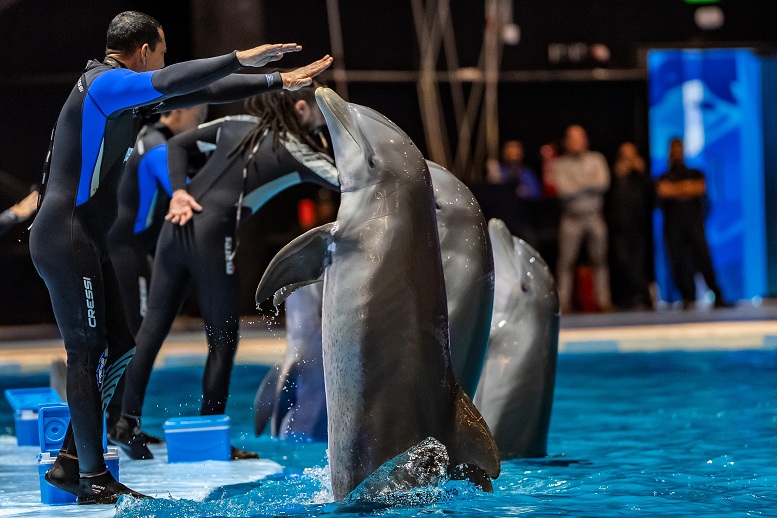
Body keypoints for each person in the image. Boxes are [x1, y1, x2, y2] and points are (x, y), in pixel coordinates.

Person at [28, 10, 332, 504]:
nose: (164, 59)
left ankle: (70, 462)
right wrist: (240, 56)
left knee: (121, 345)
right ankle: (92, 479)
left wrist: (275, 80)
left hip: (85, 237)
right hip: (65, 237)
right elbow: (173, 79)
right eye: (162, 49)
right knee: (87, 354)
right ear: (144, 51)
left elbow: (204, 92)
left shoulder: (124, 100)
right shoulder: (102, 85)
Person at [113, 85, 338, 460]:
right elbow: (346, 180)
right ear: (300, 109)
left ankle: (125, 422)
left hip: (175, 226)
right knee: (222, 339)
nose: (322, 123)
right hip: (214, 237)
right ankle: (208, 436)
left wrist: (180, 191)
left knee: (151, 330)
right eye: (319, 115)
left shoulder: (239, 123)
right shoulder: (298, 151)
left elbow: (177, 146)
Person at [103, 104, 207, 441]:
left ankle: (118, 420)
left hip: (129, 251)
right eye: (199, 113)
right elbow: (187, 190)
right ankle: (119, 423)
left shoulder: (149, 139)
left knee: (128, 338)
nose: (201, 121)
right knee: (134, 339)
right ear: (178, 112)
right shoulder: (158, 146)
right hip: (126, 253)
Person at [656, 138, 727, 309]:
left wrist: (676, 190)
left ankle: (717, 294)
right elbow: (663, 191)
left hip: (694, 224)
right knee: (679, 261)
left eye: (679, 148)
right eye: (674, 149)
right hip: (673, 226)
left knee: (703, 257)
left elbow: (699, 188)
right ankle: (687, 296)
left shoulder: (695, 173)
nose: (677, 152)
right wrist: (686, 188)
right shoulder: (664, 176)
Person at [553, 125, 612, 313]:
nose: (576, 142)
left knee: (600, 260)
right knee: (566, 261)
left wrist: (577, 185)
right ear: (566, 141)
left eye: (579, 138)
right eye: (572, 138)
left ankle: (603, 301)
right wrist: (588, 183)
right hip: (571, 218)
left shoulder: (597, 159)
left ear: (586, 140)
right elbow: (563, 191)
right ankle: (564, 303)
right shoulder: (559, 163)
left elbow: (602, 183)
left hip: (595, 216)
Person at [605, 142, 654, 310]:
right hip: (618, 226)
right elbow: (606, 197)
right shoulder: (614, 173)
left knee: (638, 263)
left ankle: (642, 297)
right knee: (623, 262)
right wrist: (618, 175)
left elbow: (653, 194)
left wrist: (642, 172)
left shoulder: (639, 176)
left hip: (638, 226)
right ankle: (636, 296)